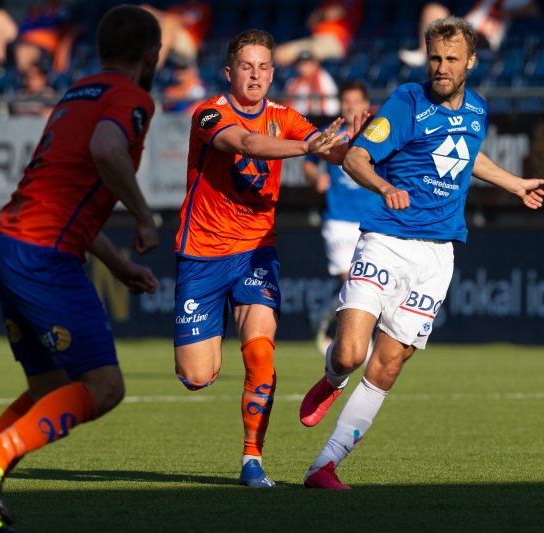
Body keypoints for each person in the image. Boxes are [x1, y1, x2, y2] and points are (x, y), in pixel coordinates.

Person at [0, 6, 162, 531]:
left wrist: (117, 263)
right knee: (105, 387)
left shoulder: (78, 92)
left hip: (8, 244)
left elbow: (68, 190)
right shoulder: (131, 99)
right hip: (42, 256)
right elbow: (107, 150)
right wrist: (146, 217)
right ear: (153, 55)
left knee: (49, 388)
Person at [299, 16, 544, 489]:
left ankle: (323, 466)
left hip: (437, 258)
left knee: (387, 364)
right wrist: (384, 186)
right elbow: (355, 157)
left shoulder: (477, 109)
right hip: (387, 239)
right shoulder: (407, 101)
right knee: (352, 354)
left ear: (471, 61)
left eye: (452, 59)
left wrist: (515, 184)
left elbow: (467, 154)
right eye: (435, 57)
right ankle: (332, 378)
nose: (441, 67)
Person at [173, 28, 352, 488]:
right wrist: (306, 148)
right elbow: (248, 145)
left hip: (256, 251)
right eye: (247, 67)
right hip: (202, 255)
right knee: (197, 376)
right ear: (230, 72)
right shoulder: (209, 113)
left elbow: (333, 151)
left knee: (259, 351)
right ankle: (209, 354)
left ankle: (252, 459)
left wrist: (374, 161)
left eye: (264, 67)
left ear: (273, 73)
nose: (255, 75)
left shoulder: (285, 116)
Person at [302, 80, 374, 355]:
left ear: (366, 105)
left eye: (356, 102)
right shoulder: (331, 134)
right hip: (339, 221)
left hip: (371, 222)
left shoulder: (377, 135)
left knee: (366, 284)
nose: (352, 107)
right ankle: (361, 341)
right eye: (347, 103)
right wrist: (315, 178)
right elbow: (308, 162)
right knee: (353, 281)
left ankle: (324, 314)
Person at [398, 0, 540, 67]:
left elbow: (534, 11)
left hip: (485, 41)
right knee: (433, 9)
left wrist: (508, 13)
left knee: (465, 35)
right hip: (463, 31)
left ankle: (462, 56)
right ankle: (426, 53)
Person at [0, 0, 81, 73]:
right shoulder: (38, 9)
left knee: (23, 51)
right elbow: (23, 26)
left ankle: (22, 82)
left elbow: (67, 31)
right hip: (22, 38)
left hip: (42, 46)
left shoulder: (62, 10)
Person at [274, 0, 364, 67]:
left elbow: (335, 12)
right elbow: (311, 22)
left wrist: (320, 14)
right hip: (317, 40)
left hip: (335, 42)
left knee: (304, 61)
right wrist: (321, 14)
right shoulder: (328, 2)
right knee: (279, 52)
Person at [141, 0, 213, 68]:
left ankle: (155, 66)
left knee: (171, 21)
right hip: (171, 46)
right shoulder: (176, 7)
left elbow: (179, 20)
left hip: (190, 47)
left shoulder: (203, 8)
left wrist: (157, 13)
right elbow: (165, 20)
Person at [284, 50, 340, 117]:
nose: (303, 67)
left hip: (322, 118)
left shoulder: (323, 77)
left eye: (306, 63)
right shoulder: (293, 81)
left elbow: (331, 107)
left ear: (314, 64)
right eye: (301, 64)